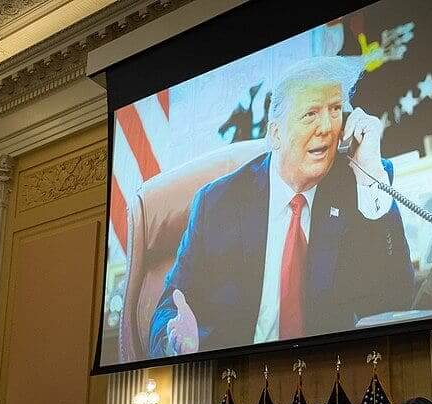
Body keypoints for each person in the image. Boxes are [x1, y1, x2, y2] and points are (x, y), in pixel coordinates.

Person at [149, 56, 414, 357]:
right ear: (276, 133)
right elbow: (170, 305)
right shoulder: (219, 204)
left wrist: (370, 178)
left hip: (330, 367)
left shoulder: (359, 183)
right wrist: (173, 342)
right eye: (311, 114)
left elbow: (397, 299)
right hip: (240, 371)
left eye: (335, 110)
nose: (327, 127)